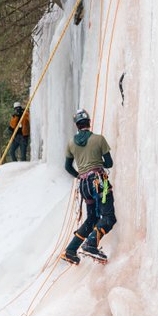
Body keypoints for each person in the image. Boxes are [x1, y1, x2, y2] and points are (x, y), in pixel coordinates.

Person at [62, 109, 116, 265]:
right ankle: (91, 244)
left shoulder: (71, 143)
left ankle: (71, 251)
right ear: (89, 122)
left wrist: (79, 175)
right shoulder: (99, 139)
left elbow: (67, 166)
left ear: (77, 125)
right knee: (108, 217)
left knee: (92, 218)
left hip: (84, 185)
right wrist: (98, 162)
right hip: (99, 182)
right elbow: (109, 163)